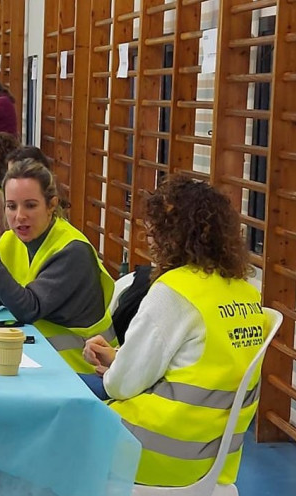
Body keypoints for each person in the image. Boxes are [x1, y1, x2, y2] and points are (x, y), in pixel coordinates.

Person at [82, 174, 266, 488]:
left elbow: (120, 387)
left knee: (58, 404)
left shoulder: (174, 291)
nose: (150, 238)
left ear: (177, 235)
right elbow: (197, 371)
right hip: (213, 457)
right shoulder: (246, 293)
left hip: (152, 451)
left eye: (157, 230)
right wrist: (119, 358)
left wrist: (117, 366)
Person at [0, 157, 115, 373]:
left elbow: (29, 308)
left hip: (79, 370)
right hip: (36, 361)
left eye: (30, 205)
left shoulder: (73, 251)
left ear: (51, 206)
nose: (19, 216)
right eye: (11, 206)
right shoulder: (10, 242)